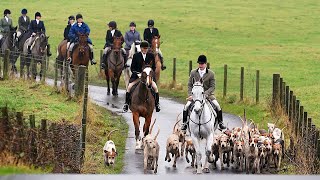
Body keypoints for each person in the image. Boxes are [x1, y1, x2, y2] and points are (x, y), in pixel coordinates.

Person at [181, 55, 226, 131]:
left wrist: (205, 94)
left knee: (217, 106)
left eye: (202, 64)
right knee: (186, 106)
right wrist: (190, 94)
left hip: (208, 95)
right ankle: (184, 123)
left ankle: (221, 122)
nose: (200, 65)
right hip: (195, 95)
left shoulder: (211, 74)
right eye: (199, 63)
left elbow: (212, 87)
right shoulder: (193, 72)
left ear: (206, 64)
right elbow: (189, 85)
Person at [122, 41, 161, 112]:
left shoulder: (151, 55)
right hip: (138, 77)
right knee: (129, 87)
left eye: (146, 48)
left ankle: (157, 104)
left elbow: (154, 67)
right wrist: (137, 73)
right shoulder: (136, 56)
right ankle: (126, 104)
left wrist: (150, 73)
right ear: (141, 48)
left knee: (155, 88)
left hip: (148, 77)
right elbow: (132, 68)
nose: (145, 50)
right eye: (144, 48)